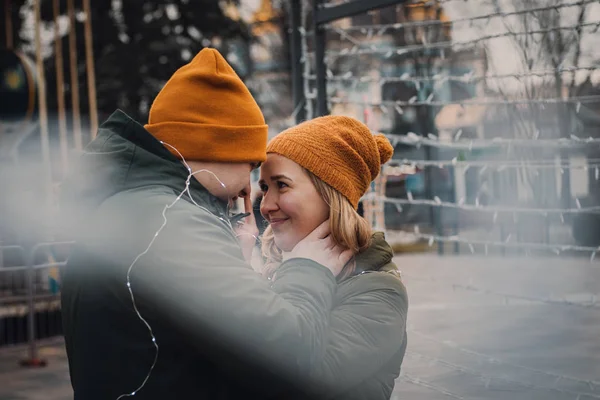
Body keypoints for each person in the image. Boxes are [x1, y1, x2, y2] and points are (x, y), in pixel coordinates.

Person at [60, 48, 352, 400]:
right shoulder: (171, 222)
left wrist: (234, 261)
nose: (250, 185)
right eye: (250, 162)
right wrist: (308, 268)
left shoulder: (135, 207)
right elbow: (286, 355)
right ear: (219, 150)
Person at [258, 115, 409, 399]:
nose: (265, 205)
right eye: (264, 187)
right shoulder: (280, 269)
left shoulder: (380, 291)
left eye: (282, 185)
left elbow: (287, 379)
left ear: (330, 194)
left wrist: (303, 273)